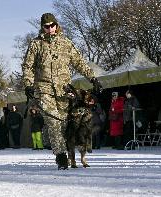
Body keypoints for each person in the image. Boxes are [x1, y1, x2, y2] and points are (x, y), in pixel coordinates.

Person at [22, 13, 102, 170]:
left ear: (56, 25)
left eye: (52, 25)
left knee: (65, 124)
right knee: (54, 122)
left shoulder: (66, 43)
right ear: (42, 27)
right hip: (44, 89)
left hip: (64, 91)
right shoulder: (36, 44)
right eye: (46, 26)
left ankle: (69, 153)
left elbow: (79, 62)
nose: (50, 29)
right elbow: (27, 66)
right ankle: (60, 156)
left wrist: (92, 78)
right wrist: (28, 84)